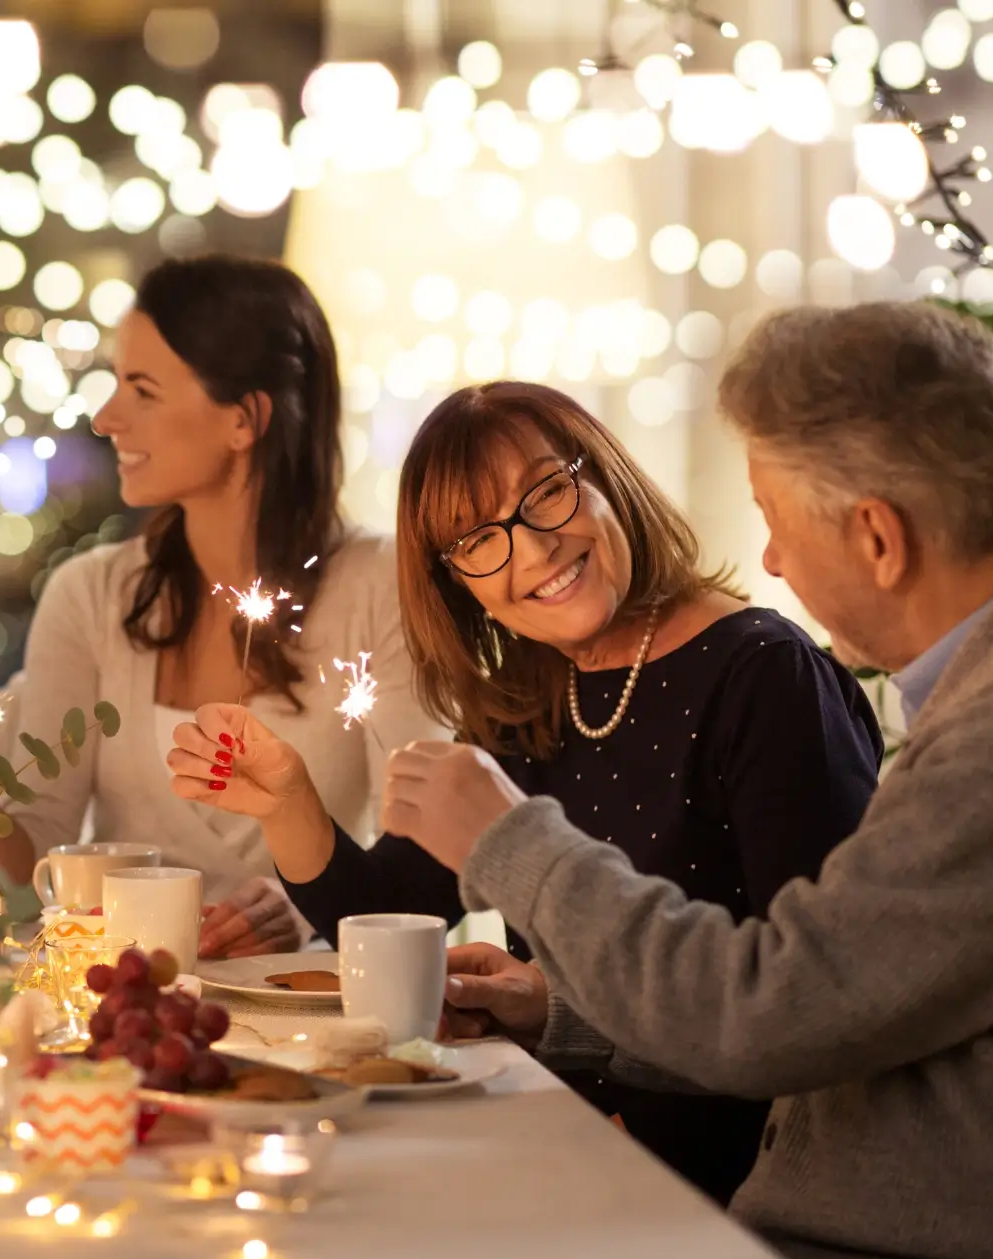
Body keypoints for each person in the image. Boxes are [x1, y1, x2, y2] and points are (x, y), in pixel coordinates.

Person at [377, 302, 993, 1259]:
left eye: (774, 519)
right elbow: (830, 999)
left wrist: (515, 842)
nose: (768, 561)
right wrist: (557, 1010)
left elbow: (777, 1014)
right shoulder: (987, 687)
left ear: (877, 538)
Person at [167, 381, 881, 1202]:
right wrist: (287, 801)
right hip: (548, 1134)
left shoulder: (765, 677)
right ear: (457, 584)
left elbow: (814, 1011)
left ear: (605, 477)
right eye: (478, 540)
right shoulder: (531, 700)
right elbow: (393, 916)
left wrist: (636, 1139)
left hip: (722, 1186)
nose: (531, 550)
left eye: (546, 492)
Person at [0, 254, 441, 959]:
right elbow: (39, 868)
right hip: (125, 1002)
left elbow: (422, 851)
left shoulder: (384, 585)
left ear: (244, 419)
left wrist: (298, 905)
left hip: (315, 1013)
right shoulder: (91, 596)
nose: (107, 417)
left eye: (142, 391)